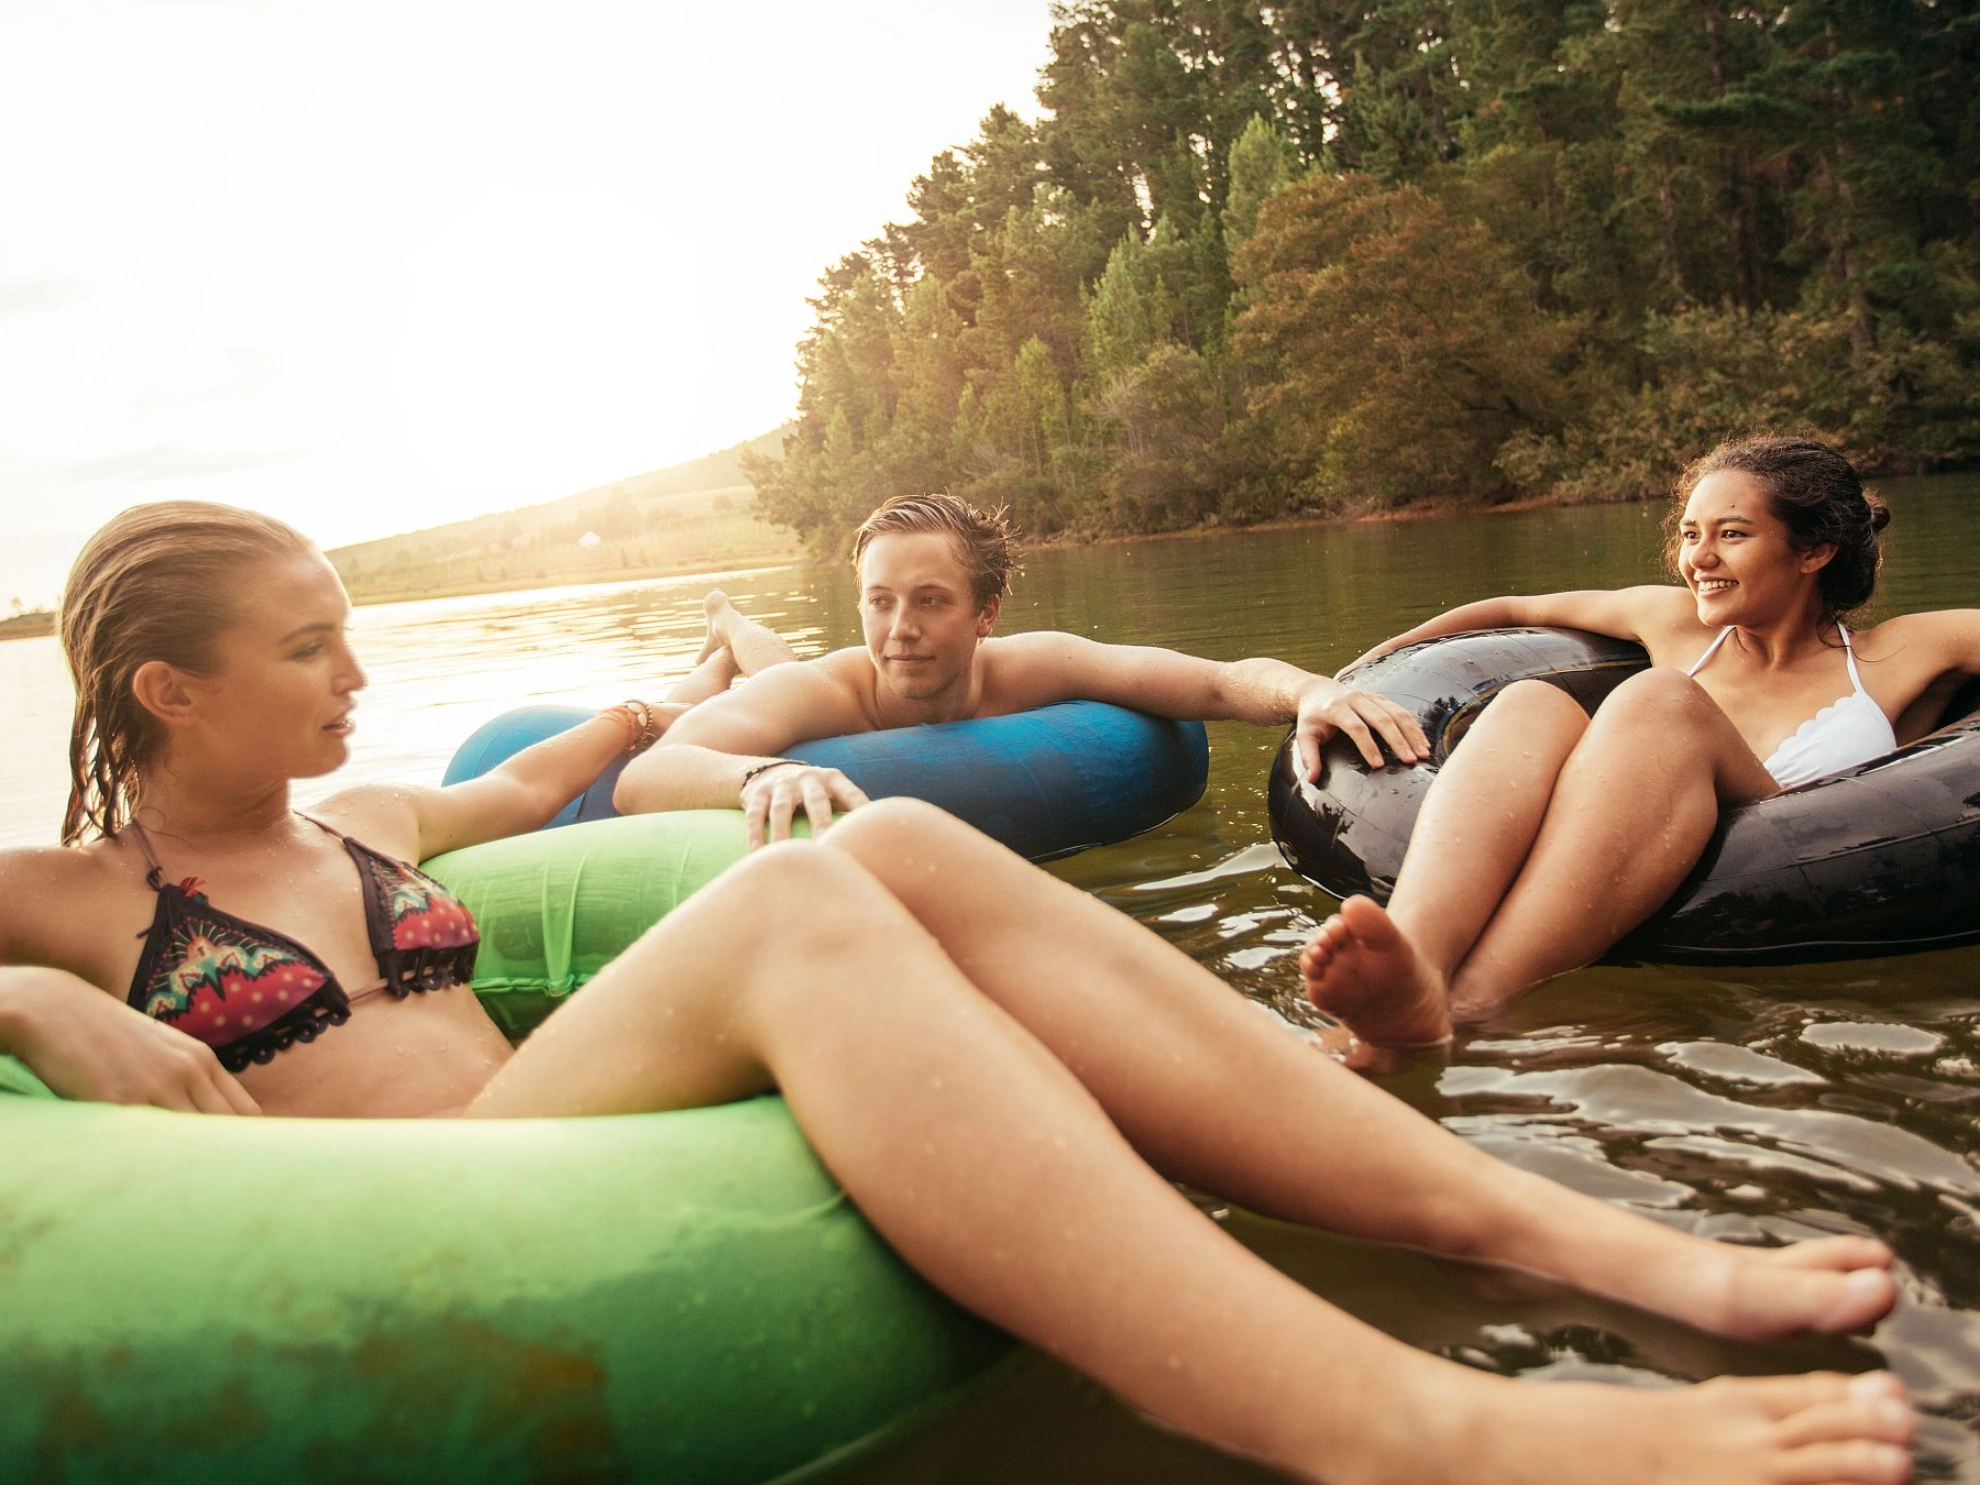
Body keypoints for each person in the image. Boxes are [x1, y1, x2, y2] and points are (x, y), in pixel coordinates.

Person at [0, 500, 1918, 1485]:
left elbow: (532, 783)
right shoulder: (71, 900)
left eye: (351, 635)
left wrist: (675, 703)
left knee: (887, 855)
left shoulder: (374, 813)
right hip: (407, 1215)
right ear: (169, 689)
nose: (353, 676)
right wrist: (33, 1013)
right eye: (310, 647)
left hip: (547, 1112)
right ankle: (1404, 1428)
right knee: (800, 911)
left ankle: (1558, 1234)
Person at [1302, 434, 1980, 1053]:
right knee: (1530, 701)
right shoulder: (1676, 622)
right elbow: (1515, 610)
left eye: (1732, 534)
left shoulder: (1900, 654)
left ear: (1813, 549)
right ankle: (1417, 963)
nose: (1699, 558)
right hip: (1631, 839)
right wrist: (1362, 675)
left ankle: (1473, 1000)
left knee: (1663, 699)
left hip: (1799, 865)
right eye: (1691, 534)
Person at [613, 492, 1433, 846]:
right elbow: (646, 777)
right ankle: (725, 621)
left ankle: (727, 627)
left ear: (986, 613)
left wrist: (1310, 689)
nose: (899, 630)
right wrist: (758, 773)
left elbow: (1215, 682)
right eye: (879, 601)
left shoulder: (1033, 668)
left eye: (931, 601)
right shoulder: (822, 692)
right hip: (787, 696)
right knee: (767, 666)